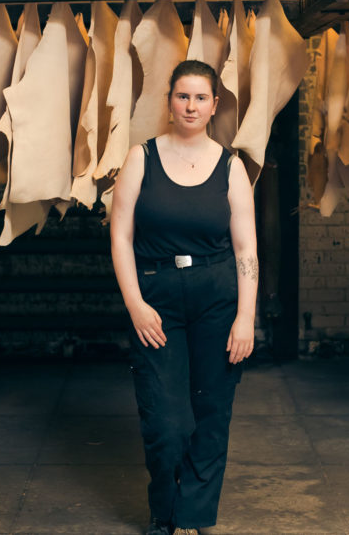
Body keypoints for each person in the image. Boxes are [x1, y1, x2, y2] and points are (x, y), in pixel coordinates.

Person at [110, 59, 258, 535]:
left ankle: (192, 519)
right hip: (157, 299)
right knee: (166, 419)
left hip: (218, 297)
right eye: (182, 96)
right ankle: (166, 513)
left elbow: (246, 249)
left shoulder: (231, 168)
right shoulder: (142, 157)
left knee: (212, 414)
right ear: (169, 102)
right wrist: (135, 303)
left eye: (200, 97)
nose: (190, 105)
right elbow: (120, 236)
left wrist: (245, 318)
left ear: (214, 106)